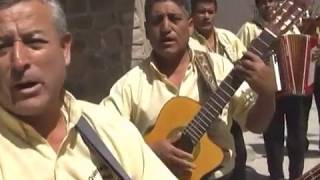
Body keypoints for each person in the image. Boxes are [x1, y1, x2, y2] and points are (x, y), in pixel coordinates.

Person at [0, 0, 177, 179]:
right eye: (2, 47)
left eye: (34, 42)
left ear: (65, 49)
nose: (19, 61)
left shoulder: (111, 128)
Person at [101, 0, 277, 179]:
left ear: (190, 25)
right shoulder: (128, 87)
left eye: (174, 18)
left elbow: (256, 125)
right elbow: (100, 140)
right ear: (146, 30)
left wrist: (267, 94)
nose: (165, 28)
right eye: (157, 20)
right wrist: (148, 151)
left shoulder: (218, 68)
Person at [237, 0, 313, 179]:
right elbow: (239, 55)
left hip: (295, 91)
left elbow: (304, 48)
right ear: (257, 6)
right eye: (263, 3)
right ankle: (276, 176)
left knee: (298, 139)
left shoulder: (290, 27)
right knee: (273, 139)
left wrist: (313, 54)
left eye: (271, 1)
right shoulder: (250, 28)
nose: (268, 5)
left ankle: (297, 175)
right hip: (269, 94)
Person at [188, 0, 248, 179]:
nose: (206, 16)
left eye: (210, 12)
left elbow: (245, 60)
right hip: (205, 117)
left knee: (240, 156)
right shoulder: (188, 43)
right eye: (201, 12)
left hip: (232, 112)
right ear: (192, 15)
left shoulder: (228, 38)